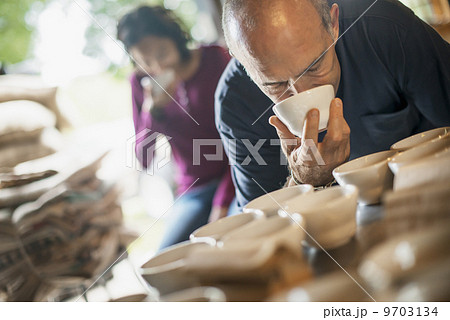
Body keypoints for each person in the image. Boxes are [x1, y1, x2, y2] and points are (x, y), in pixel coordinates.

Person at [216, 0, 450, 210]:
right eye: (275, 84)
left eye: (314, 67)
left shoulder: (384, 26)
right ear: (243, 62)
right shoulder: (235, 103)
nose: (303, 93)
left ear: (334, 23)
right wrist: (302, 180)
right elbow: (260, 232)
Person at [117, 6, 235, 249]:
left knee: (232, 238)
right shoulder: (141, 84)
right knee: (167, 255)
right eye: (145, 61)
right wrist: (152, 112)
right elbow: (144, 157)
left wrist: (222, 203)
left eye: (162, 53)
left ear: (176, 38)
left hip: (236, 176)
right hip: (194, 189)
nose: (158, 66)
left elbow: (242, 139)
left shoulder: (215, 59)